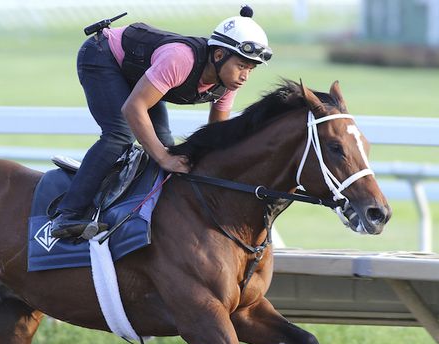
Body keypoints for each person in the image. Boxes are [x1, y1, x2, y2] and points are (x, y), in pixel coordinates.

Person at [51, 5, 273, 238]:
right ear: (219, 55)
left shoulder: (226, 83)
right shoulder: (180, 60)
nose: (245, 77)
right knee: (119, 136)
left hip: (138, 72)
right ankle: (68, 215)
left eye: (250, 69)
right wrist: (164, 158)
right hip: (102, 55)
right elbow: (133, 107)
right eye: (241, 66)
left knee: (165, 144)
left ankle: (153, 213)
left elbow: (214, 135)